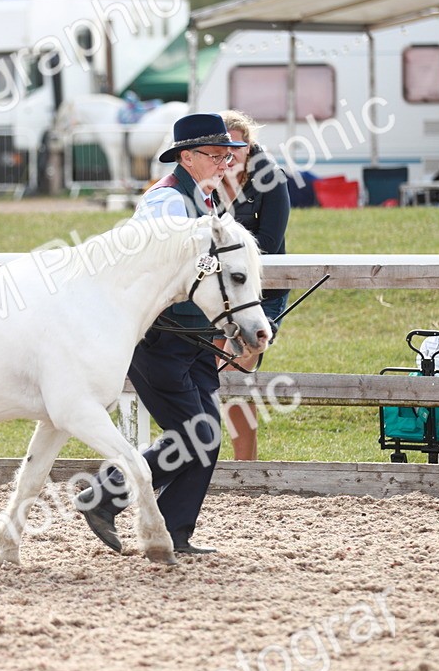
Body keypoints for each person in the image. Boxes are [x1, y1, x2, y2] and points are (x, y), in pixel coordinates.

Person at [74, 113, 248, 556]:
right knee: (197, 433)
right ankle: (106, 493)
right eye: (216, 154)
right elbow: (144, 268)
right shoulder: (164, 204)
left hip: (194, 336)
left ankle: (174, 532)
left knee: (206, 435)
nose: (226, 161)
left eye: (228, 154)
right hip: (161, 337)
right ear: (188, 157)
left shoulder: (206, 201)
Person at [216, 109, 291, 461]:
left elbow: (270, 243)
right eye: (223, 147)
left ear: (250, 146)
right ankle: (203, 465)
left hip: (258, 293)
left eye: (237, 147)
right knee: (205, 376)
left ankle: (244, 465)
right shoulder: (203, 179)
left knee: (234, 376)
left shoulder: (272, 180)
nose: (230, 155)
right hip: (211, 292)